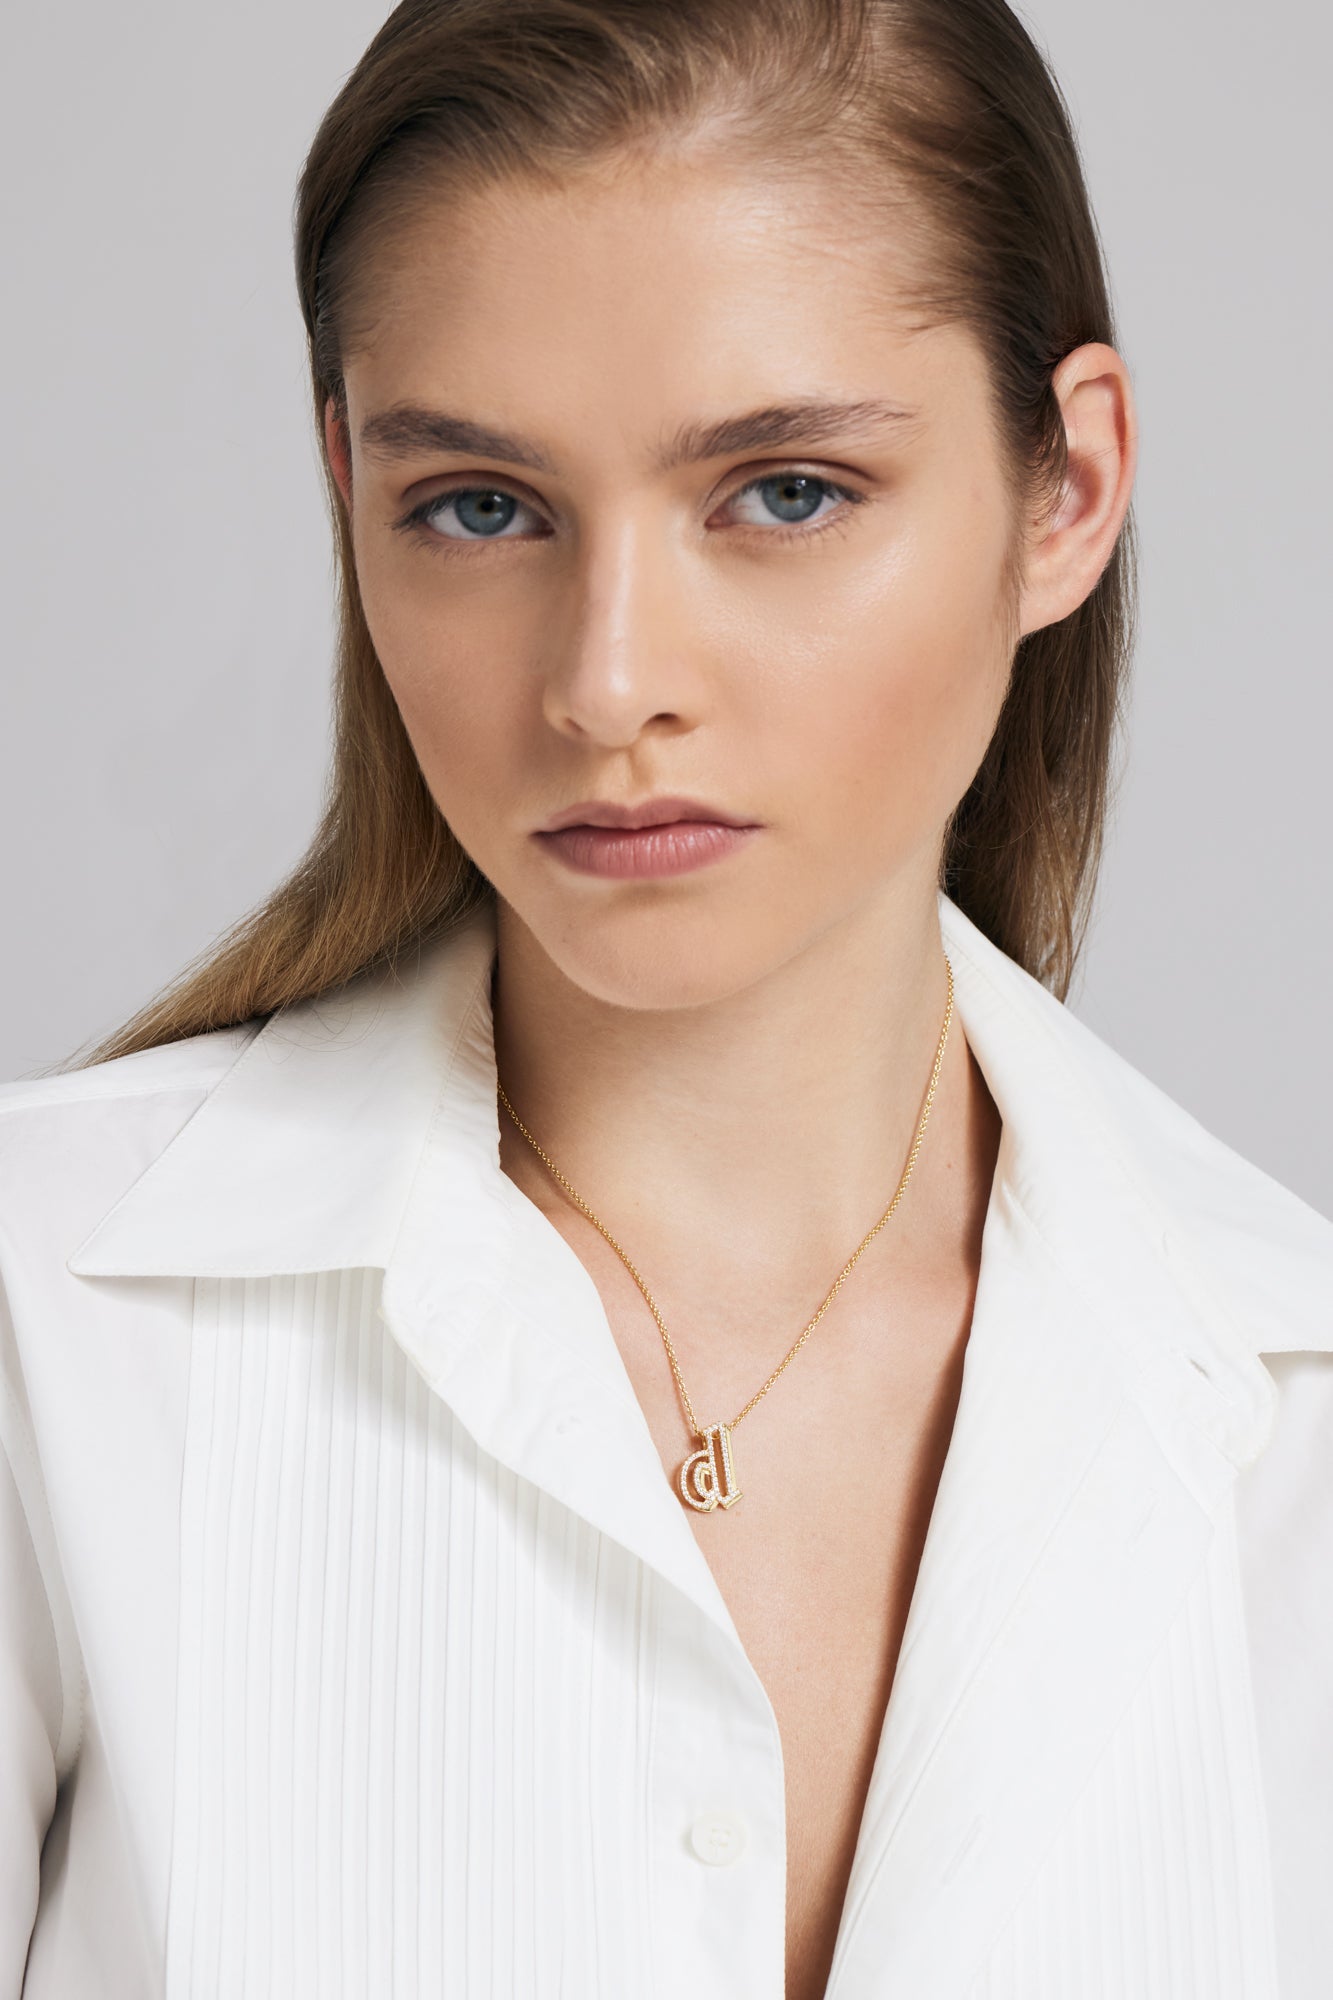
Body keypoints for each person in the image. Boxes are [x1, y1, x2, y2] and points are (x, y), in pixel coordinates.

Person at [2, 0, 1330, 1994]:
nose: (607, 681)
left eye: (784, 492)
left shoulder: (1295, 1419)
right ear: (349, 487)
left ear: (1064, 488)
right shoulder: (47, 1331)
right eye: (480, 506)